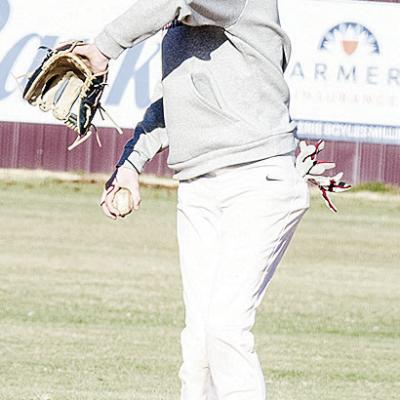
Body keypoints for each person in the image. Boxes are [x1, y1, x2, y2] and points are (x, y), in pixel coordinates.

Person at [74, 1, 309, 399]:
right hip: (199, 188)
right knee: (198, 341)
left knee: (225, 328)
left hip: (258, 182)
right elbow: (174, 106)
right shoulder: (183, 25)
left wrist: (105, 45)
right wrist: (130, 164)